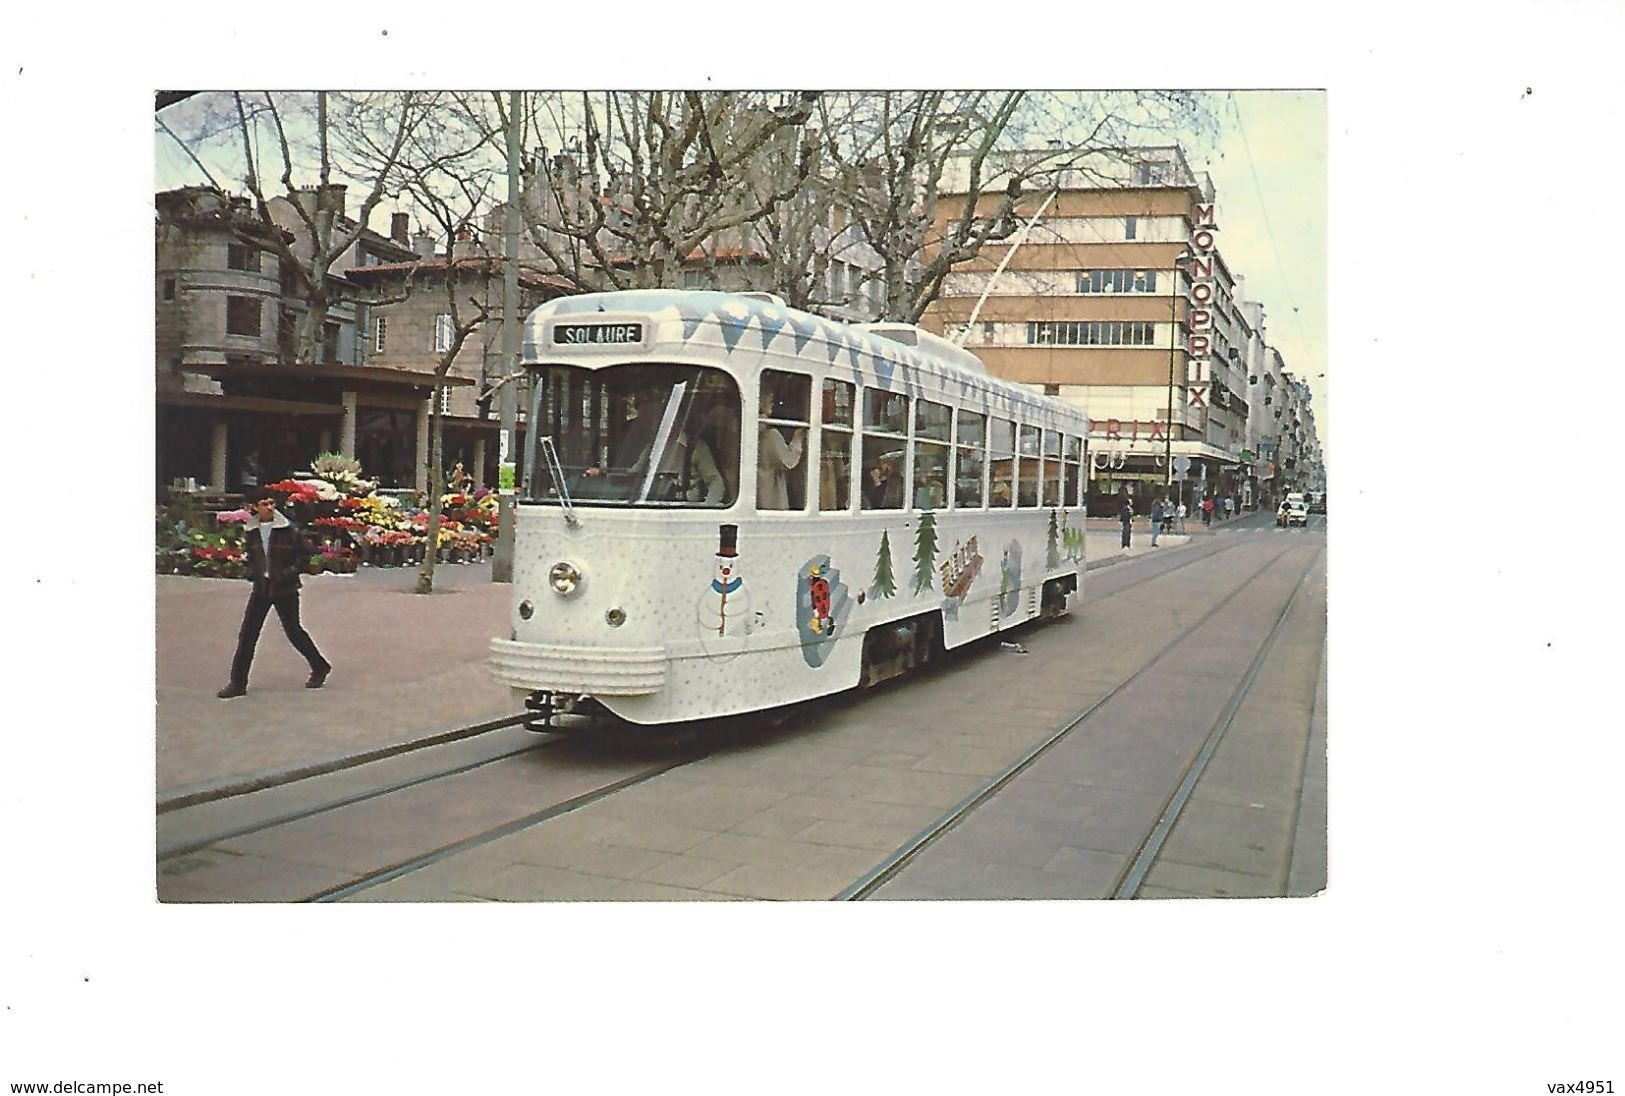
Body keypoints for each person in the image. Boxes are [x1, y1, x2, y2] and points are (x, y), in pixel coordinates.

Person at [217, 488, 332, 699]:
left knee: (293, 631)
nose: (269, 507)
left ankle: (319, 666)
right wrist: (253, 572)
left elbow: (305, 555)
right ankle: (237, 683)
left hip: (285, 588)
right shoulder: (251, 530)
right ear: (254, 507)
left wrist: (287, 573)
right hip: (262, 588)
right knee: (248, 634)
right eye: (264, 503)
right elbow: (252, 556)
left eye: (271, 503)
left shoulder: (288, 529)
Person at [757, 390, 805, 509]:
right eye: (770, 401)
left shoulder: (750, 431)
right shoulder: (771, 434)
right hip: (771, 499)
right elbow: (789, 461)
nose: (772, 404)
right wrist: (798, 437)